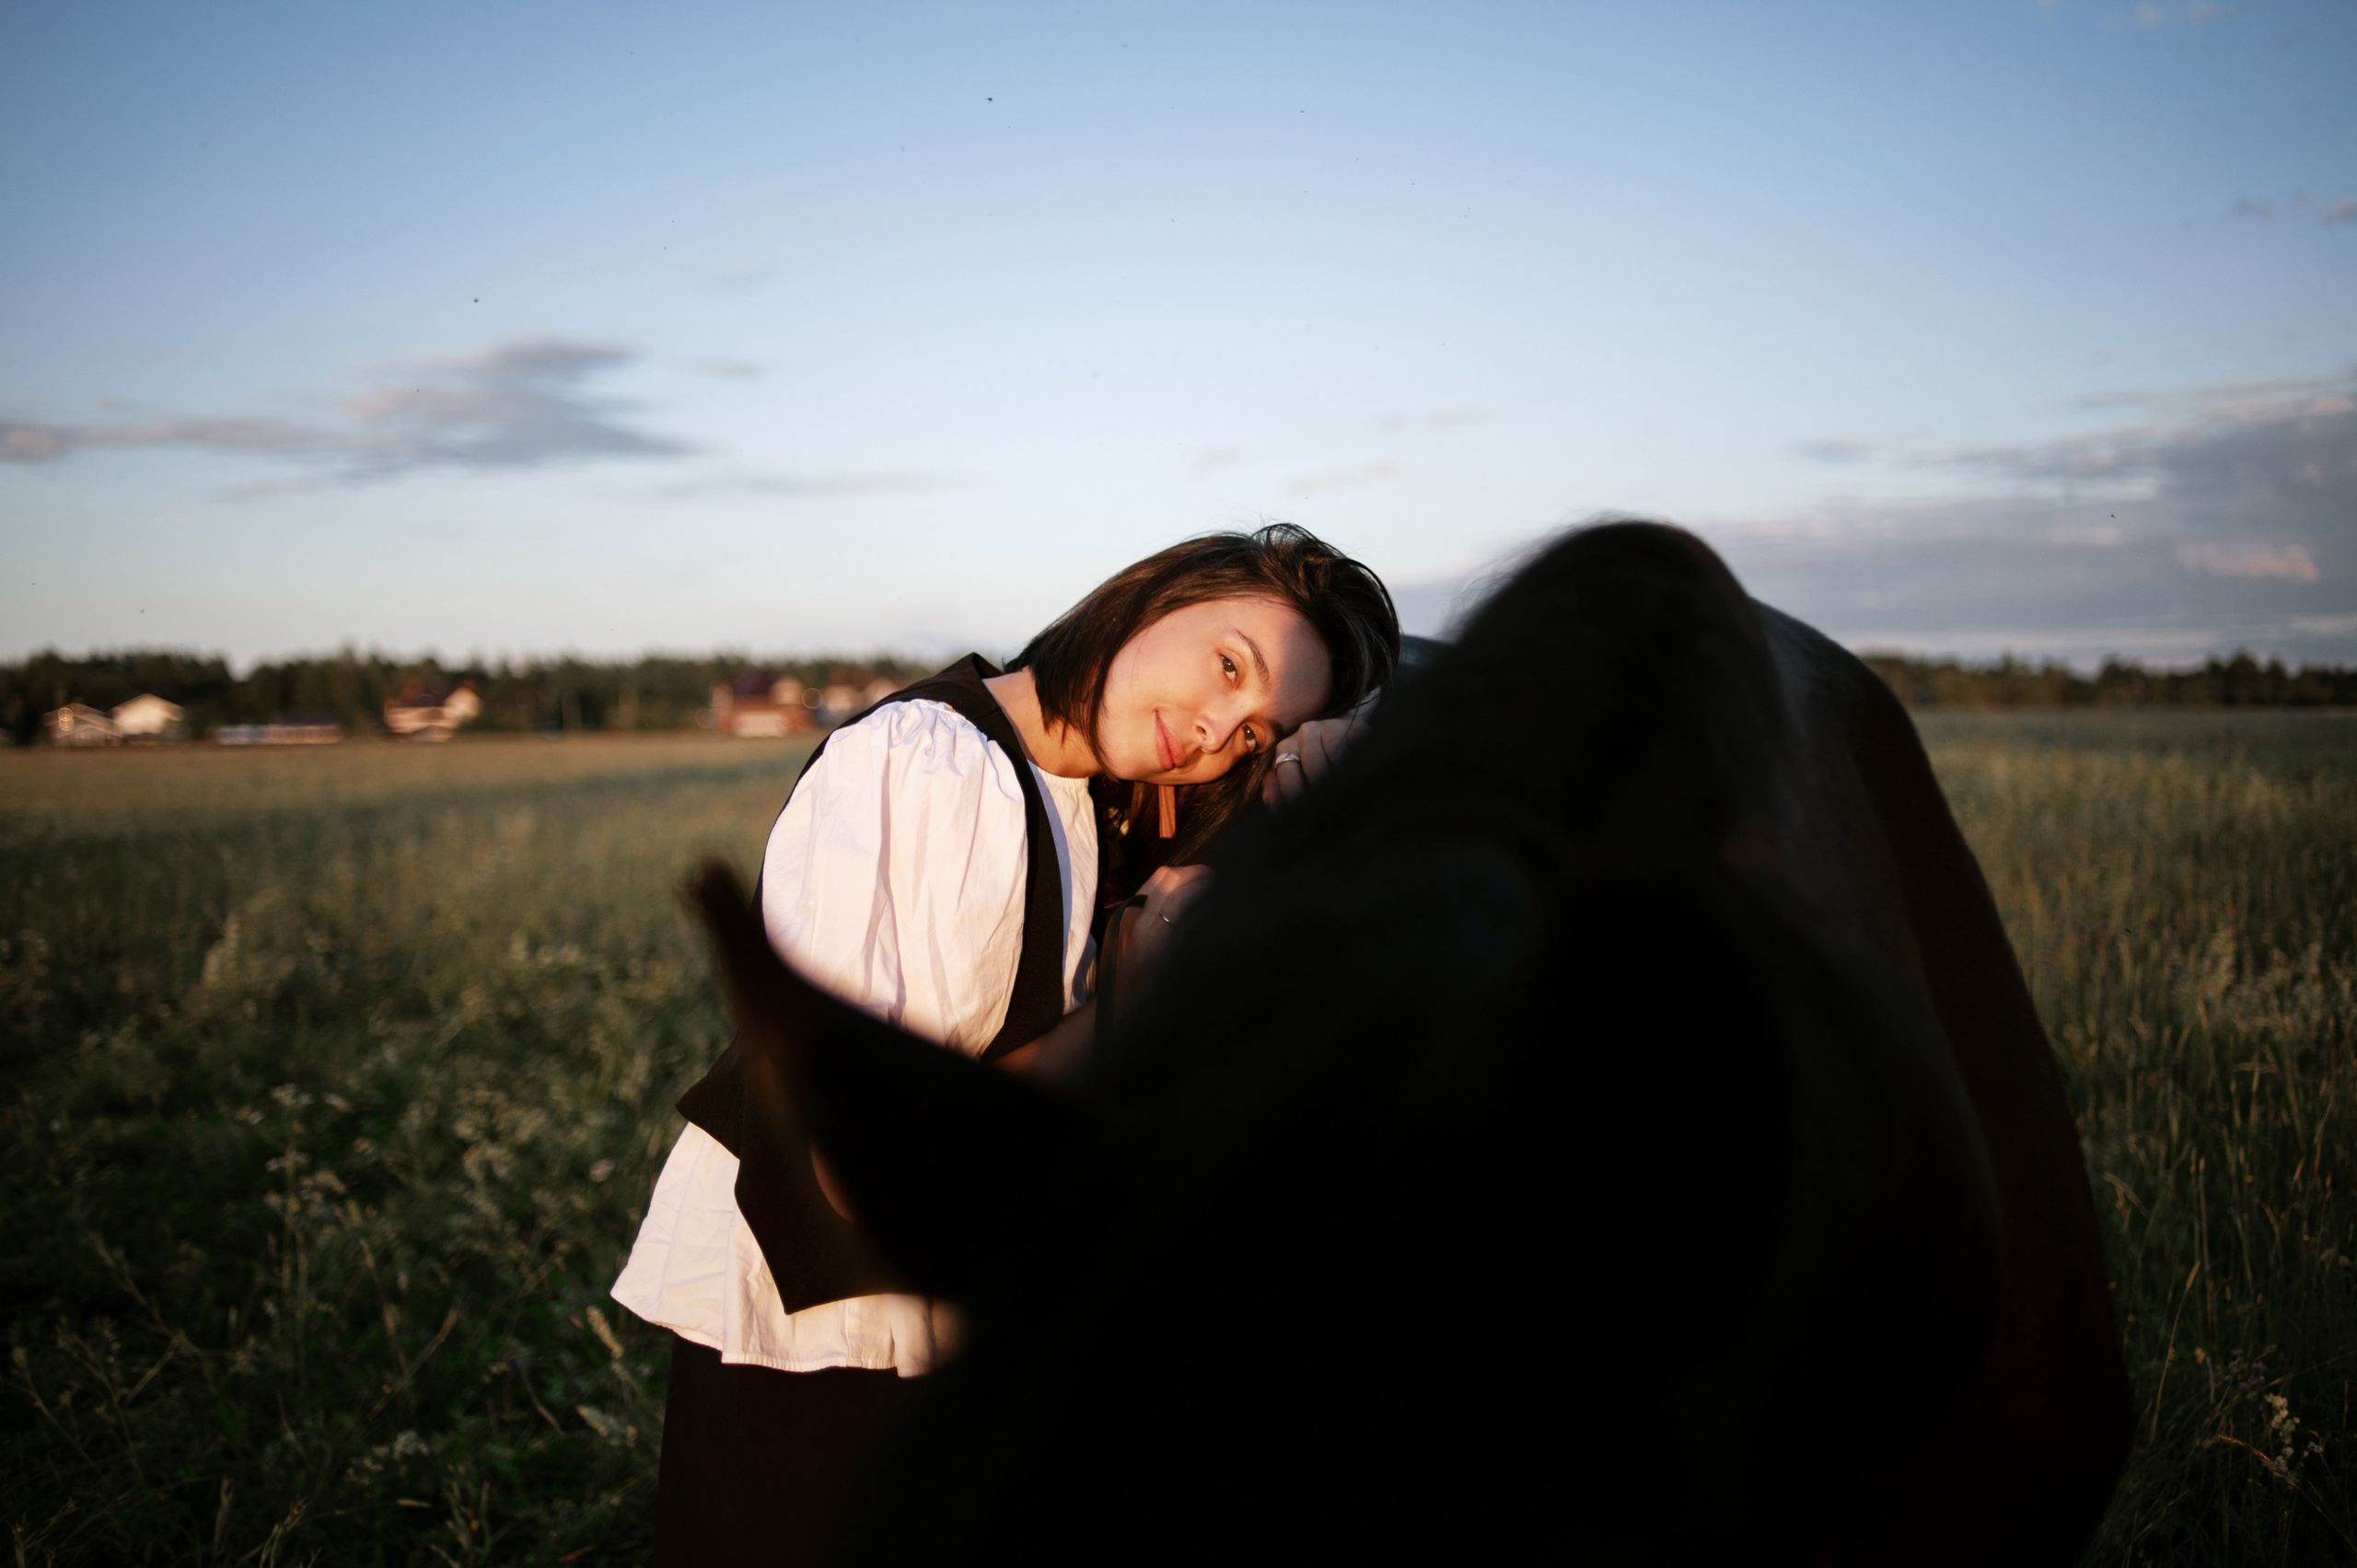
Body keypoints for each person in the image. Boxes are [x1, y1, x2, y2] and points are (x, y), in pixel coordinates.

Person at [611, 523, 1399, 1565]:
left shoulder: (1087, 796)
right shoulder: (921, 762)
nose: (1215, 728)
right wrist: (1129, 990)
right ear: (1159, 590)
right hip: (823, 1333)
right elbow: (858, 1160)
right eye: (1226, 665)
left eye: (1254, 730)